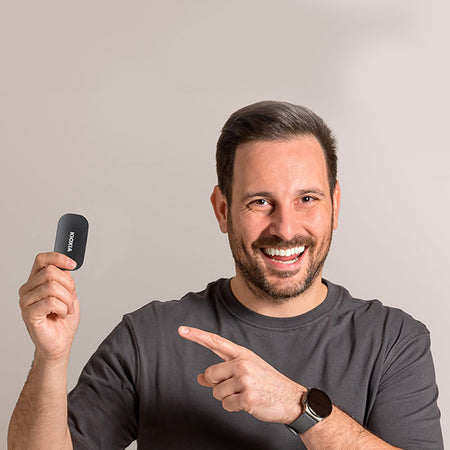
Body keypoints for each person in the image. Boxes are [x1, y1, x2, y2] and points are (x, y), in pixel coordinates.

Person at [8, 101, 443, 449]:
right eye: (260, 202)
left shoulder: (393, 342)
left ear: (336, 204)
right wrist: (51, 358)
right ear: (222, 209)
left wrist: (298, 408)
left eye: (307, 199)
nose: (285, 228)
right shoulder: (148, 338)